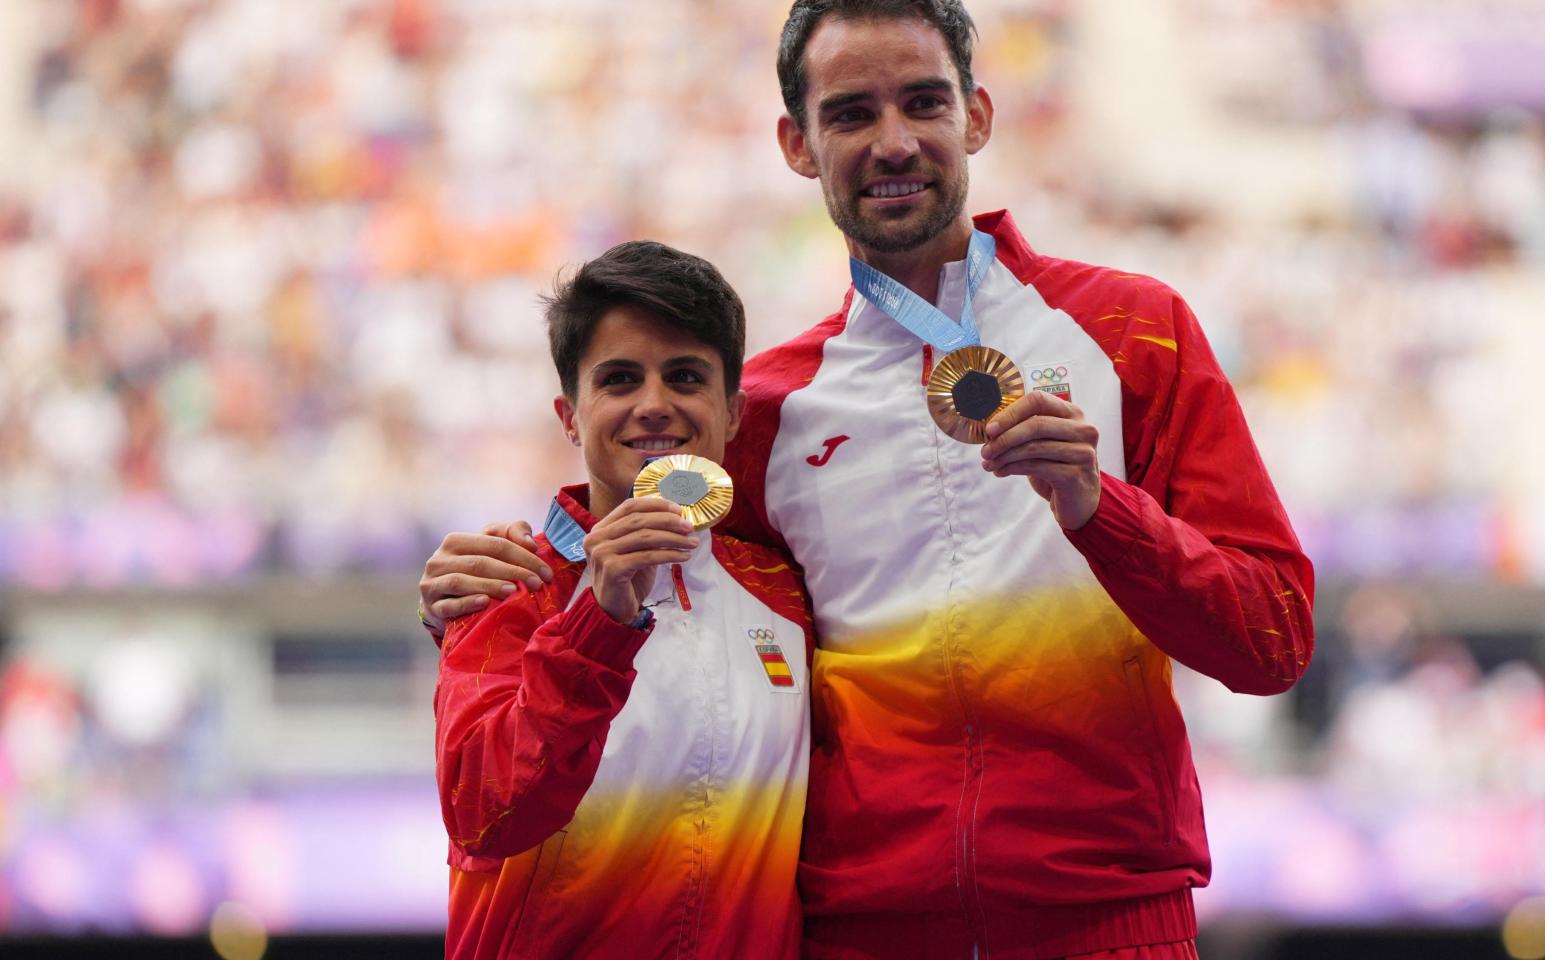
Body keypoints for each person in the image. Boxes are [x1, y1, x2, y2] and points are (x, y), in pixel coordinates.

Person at [420, 2, 1314, 957]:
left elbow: (1275, 642)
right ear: (797, 144)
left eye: (923, 103)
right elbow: (668, 581)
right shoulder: (765, 411)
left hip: (1107, 922)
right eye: (850, 114)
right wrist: (487, 585)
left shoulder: (1135, 333)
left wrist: (1107, 514)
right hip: (867, 932)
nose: (893, 143)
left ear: (976, 114)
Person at [432, 241, 813, 959]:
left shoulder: (785, 595)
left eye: (685, 377)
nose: (654, 405)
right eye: (619, 379)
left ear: (732, 412)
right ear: (570, 416)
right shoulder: (507, 590)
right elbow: (482, 818)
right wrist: (598, 623)